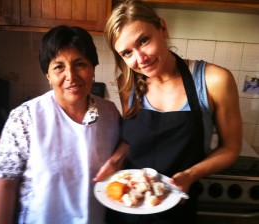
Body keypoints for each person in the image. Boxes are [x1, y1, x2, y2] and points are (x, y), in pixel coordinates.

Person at [93, 0, 242, 223]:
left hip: (178, 209)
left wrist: (191, 175)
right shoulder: (128, 83)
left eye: (144, 40)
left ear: (162, 28)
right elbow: (133, 140)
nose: (141, 59)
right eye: (127, 53)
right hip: (127, 207)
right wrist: (115, 161)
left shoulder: (214, 80)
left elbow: (231, 148)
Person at [0, 25, 121, 224]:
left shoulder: (110, 113)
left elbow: (122, 159)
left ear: (93, 69)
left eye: (80, 64)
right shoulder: (25, 117)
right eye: (59, 66)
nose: (71, 76)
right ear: (48, 75)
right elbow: (6, 184)